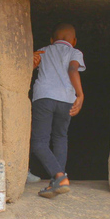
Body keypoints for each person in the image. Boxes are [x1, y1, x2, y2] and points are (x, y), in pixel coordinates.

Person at [30, 23, 85, 198]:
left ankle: (59, 177)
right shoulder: (75, 52)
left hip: (44, 98)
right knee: (60, 138)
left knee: (39, 142)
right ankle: (58, 179)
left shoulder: (44, 50)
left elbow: (28, 67)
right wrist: (80, 94)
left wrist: (30, 60)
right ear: (74, 41)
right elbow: (73, 69)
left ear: (52, 40)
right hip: (66, 100)